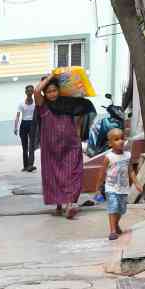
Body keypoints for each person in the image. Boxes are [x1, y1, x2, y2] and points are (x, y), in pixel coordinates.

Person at [33, 71, 92, 219]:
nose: (52, 94)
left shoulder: (69, 104)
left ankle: (70, 204)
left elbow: (80, 115)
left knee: (74, 173)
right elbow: (36, 91)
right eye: (49, 92)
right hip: (51, 149)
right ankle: (59, 204)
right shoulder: (43, 106)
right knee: (54, 176)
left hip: (71, 145)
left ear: (59, 90)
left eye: (54, 90)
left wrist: (78, 136)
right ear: (45, 94)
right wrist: (49, 77)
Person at [98, 128, 136, 240]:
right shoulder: (108, 157)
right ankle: (112, 231)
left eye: (122, 138)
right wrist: (98, 187)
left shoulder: (128, 155)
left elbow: (131, 171)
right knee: (113, 207)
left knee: (121, 209)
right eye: (116, 139)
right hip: (111, 188)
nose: (120, 141)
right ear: (110, 143)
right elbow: (101, 173)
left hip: (123, 188)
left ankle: (116, 224)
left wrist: (137, 183)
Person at [14, 86, 37, 172]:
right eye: (28, 91)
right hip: (23, 125)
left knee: (31, 146)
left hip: (32, 125)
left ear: (33, 92)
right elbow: (17, 116)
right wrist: (15, 127)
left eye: (31, 91)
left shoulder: (36, 103)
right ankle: (25, 166)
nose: (30, 93)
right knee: (25, 147)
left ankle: (30, 165)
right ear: (26, 92)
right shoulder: (21, 103)